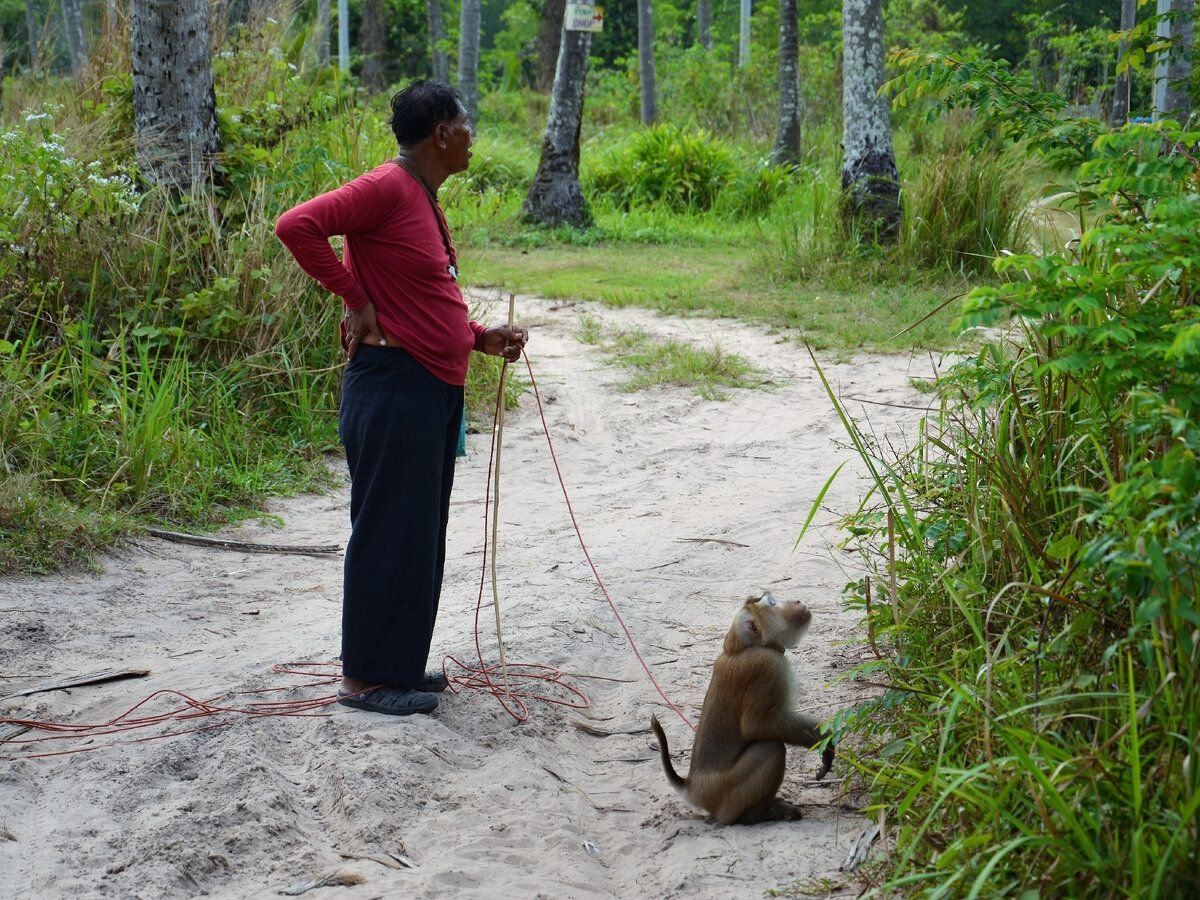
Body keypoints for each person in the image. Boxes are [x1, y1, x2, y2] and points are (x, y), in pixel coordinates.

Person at [275, 80, 528, 716]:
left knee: (418, 532)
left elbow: (422, 296)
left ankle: (399, 667)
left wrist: (478, 338)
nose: (473, 136)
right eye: (466, 123)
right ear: (442, 132)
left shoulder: (422, 197)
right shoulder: (386, 187)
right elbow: (297, 226)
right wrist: (352, 297)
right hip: (393, 388)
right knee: (389, 531)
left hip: (428, 386)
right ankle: (365, 680)